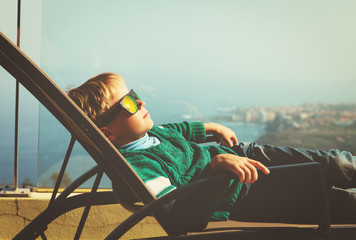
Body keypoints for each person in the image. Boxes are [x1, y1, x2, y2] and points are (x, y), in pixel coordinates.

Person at [68, 72, 356, 233]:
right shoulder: (139, 170)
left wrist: (211, 127)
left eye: (134, 95)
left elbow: (178, 130)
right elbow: (181, 216)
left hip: (249, 156)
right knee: (333, 202)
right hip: (244, 191)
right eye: (128, 104)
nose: (140, 102)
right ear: (107, 133)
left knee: (337, 162)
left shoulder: (149, 134)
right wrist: (215, 167)